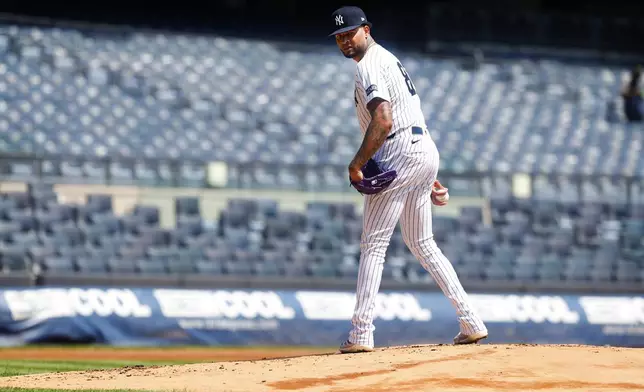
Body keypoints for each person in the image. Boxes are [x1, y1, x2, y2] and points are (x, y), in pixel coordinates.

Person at [329, 6, 489, 353]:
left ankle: (360, 333)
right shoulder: (388, 58)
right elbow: (404, 116)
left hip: (400, 150)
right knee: (423, 243)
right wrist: (427, 174)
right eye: (339, 36)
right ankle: (471, 321)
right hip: (422, 148)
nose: (344, 40)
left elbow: (384, 120)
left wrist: (357, 164)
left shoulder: (370, 63)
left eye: (350, 33)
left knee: (374, 244)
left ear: (366, 30)